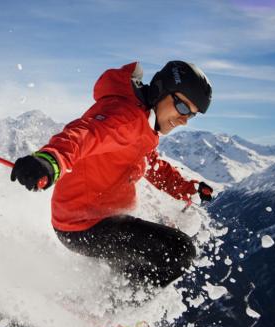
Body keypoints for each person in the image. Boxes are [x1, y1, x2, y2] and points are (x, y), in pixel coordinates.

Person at [11, 61, 214, 287]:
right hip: (83, 224)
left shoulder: (143, 119)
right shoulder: (125, 117)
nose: (184, 120)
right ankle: (113, 311)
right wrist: (51, 160)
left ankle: (107, 301)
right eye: (183, 108)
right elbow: (84, 134)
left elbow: (150, 163)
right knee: (179, 251)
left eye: (192, 115)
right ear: (161, 90)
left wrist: (188, 189)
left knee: (147, 251)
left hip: (100, 218)